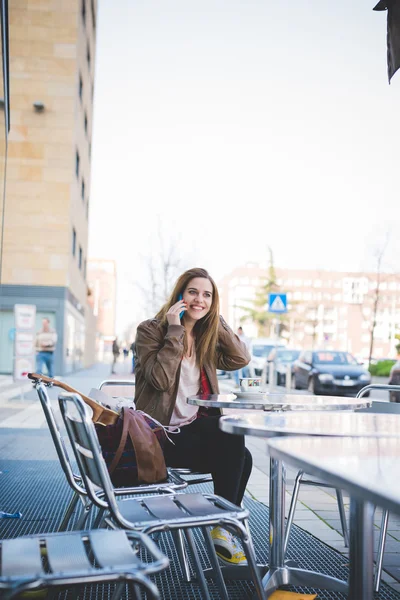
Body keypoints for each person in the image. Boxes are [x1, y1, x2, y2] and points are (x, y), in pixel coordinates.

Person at [135, 267, 252, 565]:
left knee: (242, 453)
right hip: (158, 437)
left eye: (207, 295)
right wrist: (175, 330)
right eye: (193, 292)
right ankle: (224, 527)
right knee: (230, 440)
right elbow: (160, 379)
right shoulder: (151, 330)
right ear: (179, 295)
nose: (199, 299)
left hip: (192, 432)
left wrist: (216, 321)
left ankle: (221, 526)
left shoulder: (205, 337)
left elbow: (240, 358)